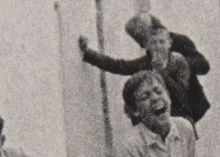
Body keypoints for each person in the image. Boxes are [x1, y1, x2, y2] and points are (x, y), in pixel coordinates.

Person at [78, 13, 211, 126]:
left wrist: (172, 63)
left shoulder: (179, 43)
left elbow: (203, 66)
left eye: (144, 39)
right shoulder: (149, 59)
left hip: (190, 104)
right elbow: (121, 66)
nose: (146, 46)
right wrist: (89, 54)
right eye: (146, 42)